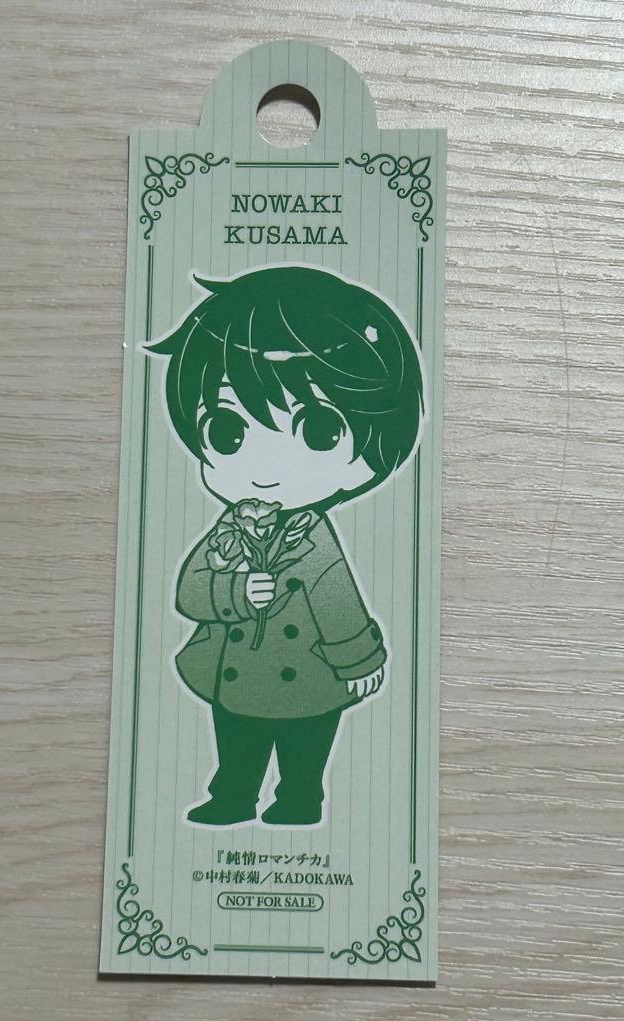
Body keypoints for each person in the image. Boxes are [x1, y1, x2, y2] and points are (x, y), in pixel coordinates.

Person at [145, 264, 425, 827]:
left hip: (311, 675)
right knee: (236, 743)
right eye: (227, 431)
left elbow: (339, 601)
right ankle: (233, 798)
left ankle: (300, 800)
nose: (266, 468)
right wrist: (236, 592)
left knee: (305, 748)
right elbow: (189, 590)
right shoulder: (230, 530)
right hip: (236, 672)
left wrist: (359, 661)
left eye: (318, 431)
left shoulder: (314, 538)